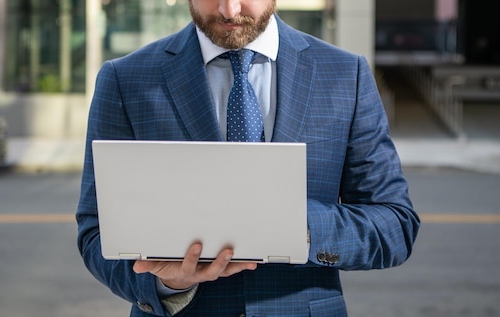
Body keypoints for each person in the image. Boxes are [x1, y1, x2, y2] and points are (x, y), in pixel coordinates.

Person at [75, 0, 421, 316]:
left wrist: (298, 226)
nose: (229, 10)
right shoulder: (126, 79)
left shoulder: (346, 75)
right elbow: (96, 233)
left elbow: (395, 225)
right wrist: (170, 283)